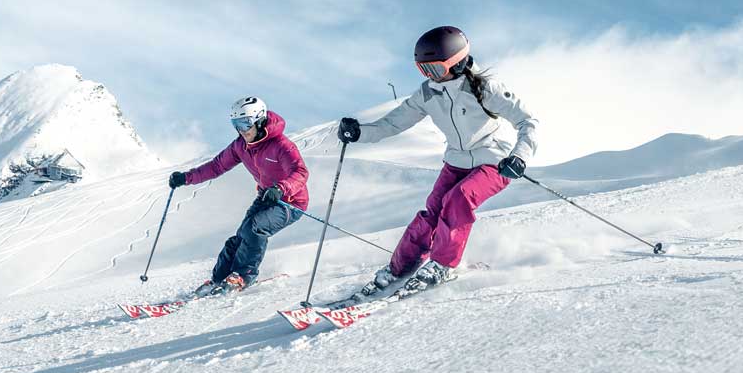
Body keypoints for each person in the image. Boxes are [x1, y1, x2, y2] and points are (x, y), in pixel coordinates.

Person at [337, 25, 538, 295]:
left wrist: (519, 156)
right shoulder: (428, 93)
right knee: (432, 211)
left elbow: (528, 121)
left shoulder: (485, 88)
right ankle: (399, 268)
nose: (431, 77)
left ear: (456, 63)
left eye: (435, 69)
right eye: (424, 70)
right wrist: (360, 132)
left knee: (459, 199)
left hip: (496, 161)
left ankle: (442, 264)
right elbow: (393, 124)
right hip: (456, 160)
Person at [169, 97, 309, 296]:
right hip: (265, 197)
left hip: (290, 202)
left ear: (259, 121)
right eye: (236, 125)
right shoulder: (240, 146)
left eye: (245, 124)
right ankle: (219, 278)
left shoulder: (281, 145)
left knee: (255, 228)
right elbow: (217, 166)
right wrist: (186, 178)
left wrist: (281, 188)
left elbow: (300, 172)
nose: (242, 130)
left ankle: (244, 275)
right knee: (240, 237)